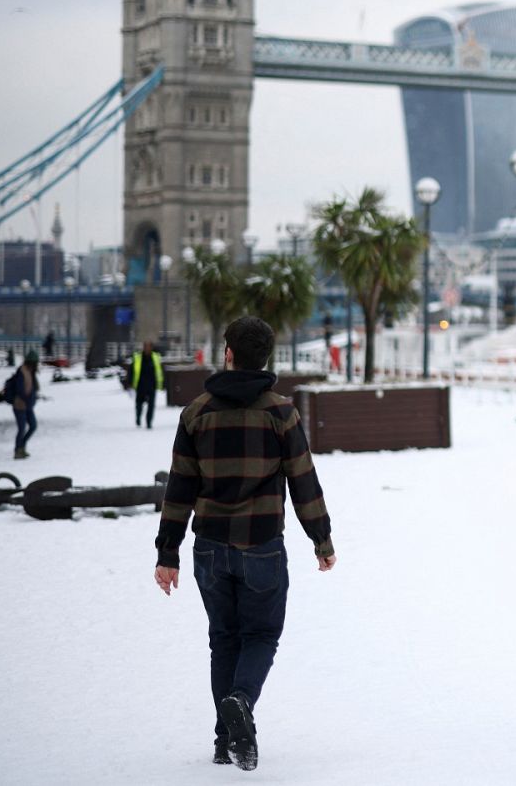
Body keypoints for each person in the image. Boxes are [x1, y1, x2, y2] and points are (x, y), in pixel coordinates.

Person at [152, 316, 337, 771]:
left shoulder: (196, 413)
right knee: (261, 635)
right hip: (261, 547)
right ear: (266, 357)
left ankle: (224, 740)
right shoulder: (281, 414)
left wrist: (167, 552)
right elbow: (303, 481)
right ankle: (241, 701)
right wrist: (321, 538)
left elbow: (179, 488)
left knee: (224, 640)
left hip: (210, 547)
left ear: (229, 353)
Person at [2, 349, 40, 459]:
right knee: (22, 428)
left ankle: (21, 446)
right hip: (20, 405)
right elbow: (20, 390)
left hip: (28, 406)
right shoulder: (21, 372)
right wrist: (27, 398)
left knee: (33, 426)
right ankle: (18, 450)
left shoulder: (31, 372)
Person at [128, 341, 166, 428]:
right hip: (140, 385)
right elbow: (131, 370)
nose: (147, 349)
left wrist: (162, 383)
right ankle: (138, 417)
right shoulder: (137, 357)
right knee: (139, 404)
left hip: (152, 385)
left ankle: (149, 422)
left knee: (151, 405)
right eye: (146, 347)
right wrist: (130, 383)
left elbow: (160, 371)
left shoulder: (156, 357)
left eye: (149, 347)